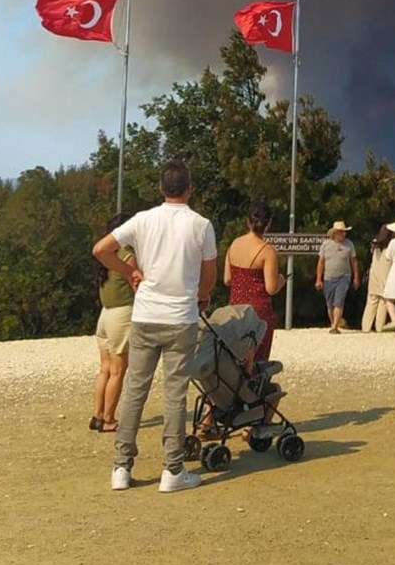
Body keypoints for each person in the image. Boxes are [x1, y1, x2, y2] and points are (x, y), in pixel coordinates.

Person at [92, 158, 217, 494]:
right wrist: (201, 297)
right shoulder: (201, 225)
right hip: (181, 318)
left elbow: (101, 249)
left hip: (145, 315)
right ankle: (172, 470)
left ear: (161, 188)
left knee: (135, 391)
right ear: (189, 189)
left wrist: (128, 271)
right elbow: (209, 278)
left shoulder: (143, 220)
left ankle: (121, 466)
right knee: (175, 394)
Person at [90, 213, 139, 433]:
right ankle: (109, 418)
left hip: (105, 316)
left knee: (105, 370)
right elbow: (137, 285)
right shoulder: (126, 255)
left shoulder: (106, 256)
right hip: (122, 314)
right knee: (119, 371)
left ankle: (97, 415)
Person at [224, 203, 285, 361]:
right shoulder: (267, 251)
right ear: (269, 223)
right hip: (258, 312)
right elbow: (271, 288)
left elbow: (227, 279)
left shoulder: (235, 244)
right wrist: (281, 280)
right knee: (256, 359)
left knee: (236, 358)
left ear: (247, 221)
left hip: (235, 309)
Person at [315, 221, 360, 333]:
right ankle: (333, 322)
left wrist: (356, 277)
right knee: (330, 304)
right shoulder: (326, 244)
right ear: (334, 233)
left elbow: (354, 261)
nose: (343, 234)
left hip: (344, 277)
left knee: (339, 301)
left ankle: (335, 326)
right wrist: (318, 279)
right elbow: (321, 262)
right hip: (328, 278)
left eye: (344, 232)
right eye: (340, 232)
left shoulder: (349, 244)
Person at [361, 227, 394, 332]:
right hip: (385, 277)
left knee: (371, 302)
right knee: (383, 302)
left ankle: (366, 327)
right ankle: (379, 327)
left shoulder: (375, 244)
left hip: (374, 277)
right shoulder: (390, 246)